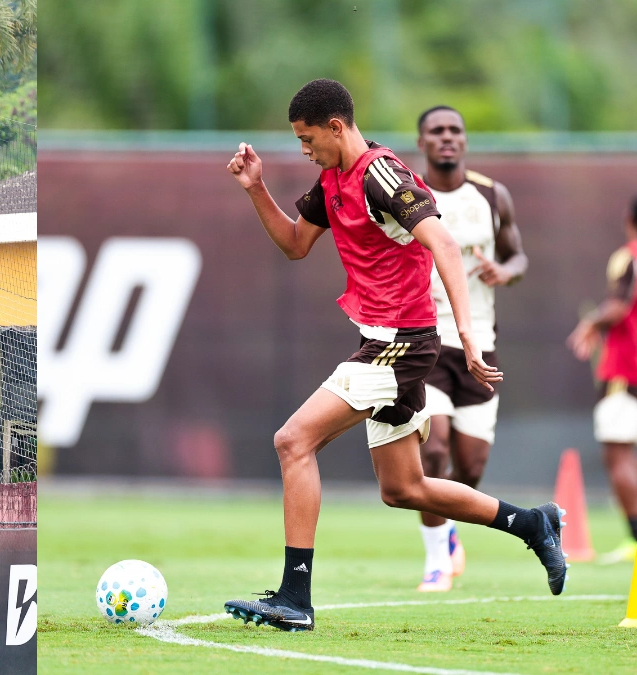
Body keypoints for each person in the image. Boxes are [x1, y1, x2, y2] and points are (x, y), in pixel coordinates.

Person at [222, 79, 565, 632]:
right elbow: (294, 244)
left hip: (401, 344)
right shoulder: (332, 180)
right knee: (404, 489)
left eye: (308, 139)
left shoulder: (383, 174)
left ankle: (294, 597)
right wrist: (255, 188)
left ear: (337, 126)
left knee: (293, 441)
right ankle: (532, 523)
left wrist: (470, 339)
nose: (304, 150)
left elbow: (445, 245)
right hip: (380, 341)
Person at [412, 105, 529, 592]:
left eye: (454, 130)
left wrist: (508, 271)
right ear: (421, 142)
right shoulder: (407, 195)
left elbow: (516, 253)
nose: (446, 138)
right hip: (426, 339)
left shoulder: (491, 194)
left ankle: (450, 530)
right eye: (436, 131)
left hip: (481, 344)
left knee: (471, 467)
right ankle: (437, 560)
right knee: (433, 451)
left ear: (464, 140)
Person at [567, 197, 637, 564]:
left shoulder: (628, 255)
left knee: (618, 453)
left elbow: (619, 305)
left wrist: (591, 322)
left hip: (627, 371)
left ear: (628, 217)